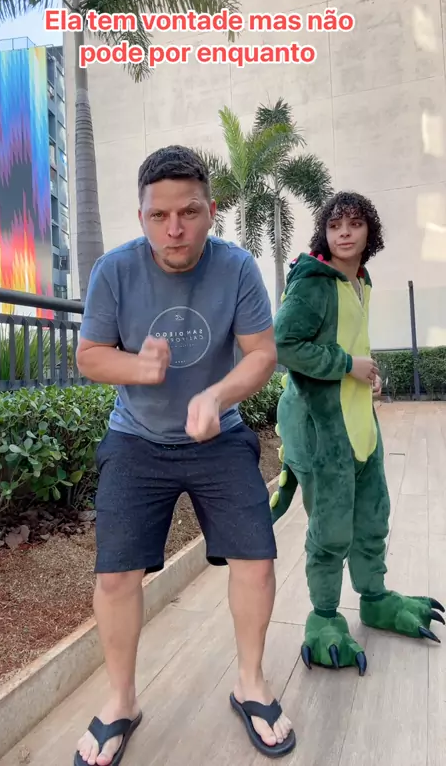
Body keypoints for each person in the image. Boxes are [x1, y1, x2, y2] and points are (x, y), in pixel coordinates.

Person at [74, 145, 296, 766]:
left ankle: (250, 684)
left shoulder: (237, 268)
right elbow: (89, 356)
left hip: (218, 437)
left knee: (256, 559)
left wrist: (216, 395)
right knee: (115, 574)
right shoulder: (114, 271)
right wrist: (138, 368)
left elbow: (261, 352)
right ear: (141, 217)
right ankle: (120, 701)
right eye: (159, 215)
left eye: (189, 212)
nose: (175, 228)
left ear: (210, 211)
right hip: (135, 439)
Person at [269, 190, 444, 674]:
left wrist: (367, 374)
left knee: (372, 516)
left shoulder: (361, 279)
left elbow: (351, 340)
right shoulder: (313, 282)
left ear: (370, 231)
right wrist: (348, 364)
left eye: (354, 224)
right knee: (331, 530)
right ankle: (324, 617)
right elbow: (283, 343)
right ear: (324, 233)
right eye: (335, 225)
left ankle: (375, 597)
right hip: (322, 431)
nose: (344, 233)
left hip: (361, 422)